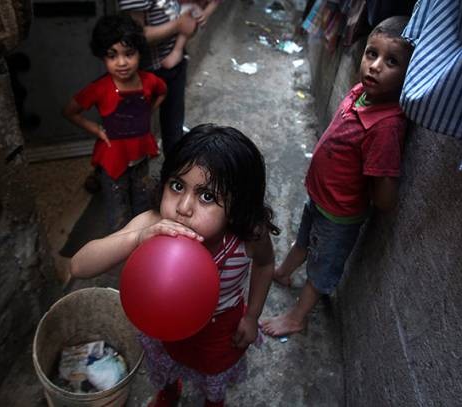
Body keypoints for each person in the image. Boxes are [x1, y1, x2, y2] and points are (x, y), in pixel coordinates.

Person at [71, 124, 279, 407]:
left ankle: (212, 400)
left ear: (238, 206)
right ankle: (169, 390)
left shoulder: (248, 236)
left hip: (220, 331)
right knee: (166, 365)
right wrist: (137, 238)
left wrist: (252, 316)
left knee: (212, 377)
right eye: (177, 186)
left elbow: (265, 265)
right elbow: (79, 266)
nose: (183, 207)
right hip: (162, 329)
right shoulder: (152, 223)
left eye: (207, 196)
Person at [261, 16, 413, 337]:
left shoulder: (386, 127)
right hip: (320, 197)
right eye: (372, 54)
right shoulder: (361, 91)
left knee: (323, 265)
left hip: (340, 215)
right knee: (304, 238)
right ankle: (284, 272)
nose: (374, 66)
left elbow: (385, 197)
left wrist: (376, 184)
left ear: (410, 76)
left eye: (392, 61)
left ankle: (298, 317)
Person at [62, 15, 167, 232]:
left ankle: (142, 237)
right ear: (103, 57)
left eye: (129, 54)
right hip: (113, 157)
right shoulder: (99, 88)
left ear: (139, 52)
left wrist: (148, 111)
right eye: (112, 56)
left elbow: (162, 91)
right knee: (117, 206)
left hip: (140, 152)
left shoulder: (149, 81)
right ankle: (120, 244)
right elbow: (70, 111)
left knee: (142, 198)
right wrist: (96, 129)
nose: (121, 62)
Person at [118, 0, 217, 156]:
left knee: (174, 122)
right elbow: (136, 36)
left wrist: (193, 13)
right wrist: (178, 25)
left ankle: (173, 168)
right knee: (137, 126)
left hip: (176, 64)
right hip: (151, 70)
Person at [161, 0, 222, 69]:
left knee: (190, 16)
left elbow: (215, 2)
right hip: (171, 6)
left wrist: (205, 14)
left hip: (189, 9)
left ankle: (177, 50)